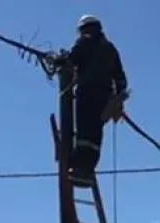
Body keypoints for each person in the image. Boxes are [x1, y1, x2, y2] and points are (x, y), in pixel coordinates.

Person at [45, 14, 129, 185]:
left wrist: (60, 61)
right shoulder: (110, 49)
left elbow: (72, 60)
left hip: (87, 93)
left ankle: (79, 167)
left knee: (84, 131)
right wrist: (118, 99)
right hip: (105, 99)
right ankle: (87, 168)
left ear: (84, 29)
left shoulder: (84, 41)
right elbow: (121, 78)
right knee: (95, 133)